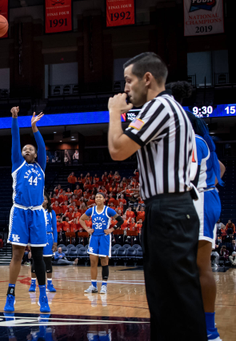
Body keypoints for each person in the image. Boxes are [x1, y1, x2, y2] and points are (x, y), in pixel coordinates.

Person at [107, 52, 205, 340]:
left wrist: (114, 113)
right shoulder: (168, 109)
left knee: (177, 299)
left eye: (129, 80)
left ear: (147, 79)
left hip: (169, 210)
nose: (125, 88)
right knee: (165, 299)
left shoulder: (159, 107)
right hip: (169, 210)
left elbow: (117, 150)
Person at [168, 81, 226, 341]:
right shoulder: (204, 141)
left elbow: (183, 180)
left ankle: (210, 332)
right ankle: (199, 324)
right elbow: (220, 169)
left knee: (201, 267)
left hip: (197, 201)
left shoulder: (188, 141)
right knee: (189, 266)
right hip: (206, 198)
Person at [5, 106, 50, 313]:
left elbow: (41, 145)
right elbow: (15, 140)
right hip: (20, 212)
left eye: (31, 149)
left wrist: (34, 128)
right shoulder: (17, 164)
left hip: (37, 213)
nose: (28, 150)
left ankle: (43, 296)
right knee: (17, 254)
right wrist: (15, 118)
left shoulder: (41, 166)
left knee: (38, 256)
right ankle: (10, 295)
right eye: (25, 149)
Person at [80, 193, 123, 294]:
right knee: (93, 262)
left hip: (104, 238)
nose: (98, 198)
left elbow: (120, 220)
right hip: (94, 237)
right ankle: (93, 286)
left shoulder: (108, 210)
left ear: (104, 199)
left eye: (100, 197)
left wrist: (112, 229)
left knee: (104, 262)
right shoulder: (92, 210)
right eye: (96, 197)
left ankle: (104, 285)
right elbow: (81, 219)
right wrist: (87, 229)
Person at [29, 192, 57, 293]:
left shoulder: (51, 212)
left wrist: (55, 242)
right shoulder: (34, 211)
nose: (43, 201)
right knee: (36, 261)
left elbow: (55, 228)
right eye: (42, 199)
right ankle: (32, 284)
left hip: (49, 237)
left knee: (48, 261)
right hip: (37, 237)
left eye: (45, 199)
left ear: (48, 201)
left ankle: (49, 284)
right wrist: (29, 243)